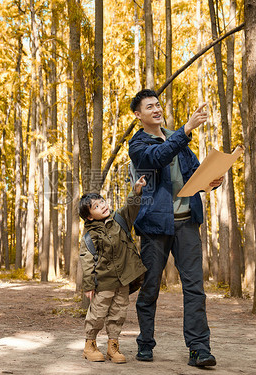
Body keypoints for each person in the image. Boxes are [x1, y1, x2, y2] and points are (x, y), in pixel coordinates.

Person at [128, 89, 223, 367]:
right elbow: (157, 157)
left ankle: (199, 349)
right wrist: (186, 129)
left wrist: (211, 180)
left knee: (194, 287)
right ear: (139, 115)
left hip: (187, 223)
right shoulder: (138, 144)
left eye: (158, 104)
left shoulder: (176, 138)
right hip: (155, 226)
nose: (156, 109)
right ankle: (145, 343)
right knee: (150, 287)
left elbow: (194, 171)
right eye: (150, 107)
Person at [79, 175, 148, 364]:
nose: (102, 205)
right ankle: (90, 345)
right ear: (89, 216)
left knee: (118, 313)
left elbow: (131, 206)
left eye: (101, 201)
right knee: (97, 314)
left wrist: (136, 191)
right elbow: (86, 262)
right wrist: (88, 286)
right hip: (104, 282)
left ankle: (113, 346)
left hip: (123, 280)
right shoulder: (90, 236)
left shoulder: (119, 220)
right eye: (96, 206)